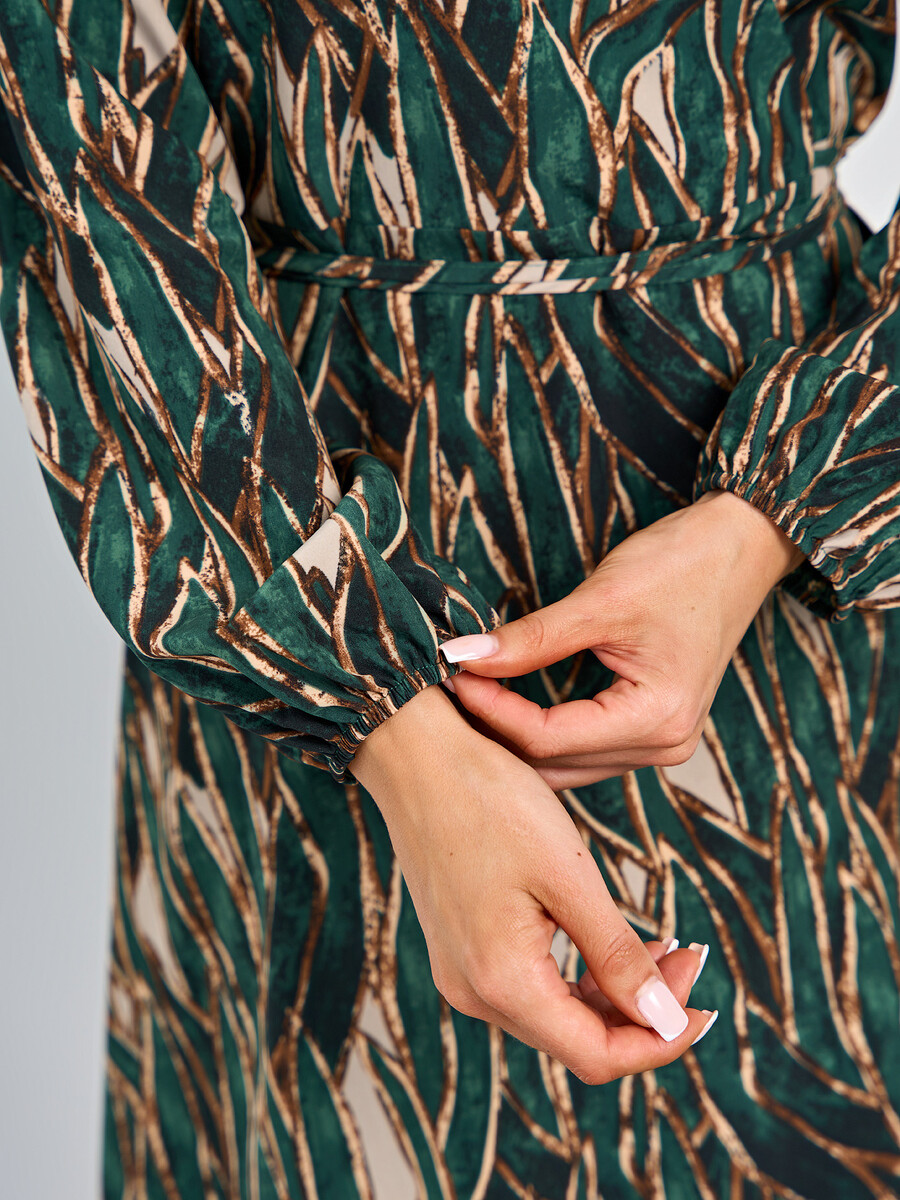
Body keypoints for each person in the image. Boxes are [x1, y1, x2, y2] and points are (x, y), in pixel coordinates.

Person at [0, 0, 898, 1195]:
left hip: (787, 599)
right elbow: (82, 145)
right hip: (298, 539)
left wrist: (787, 502)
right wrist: (393, 736)